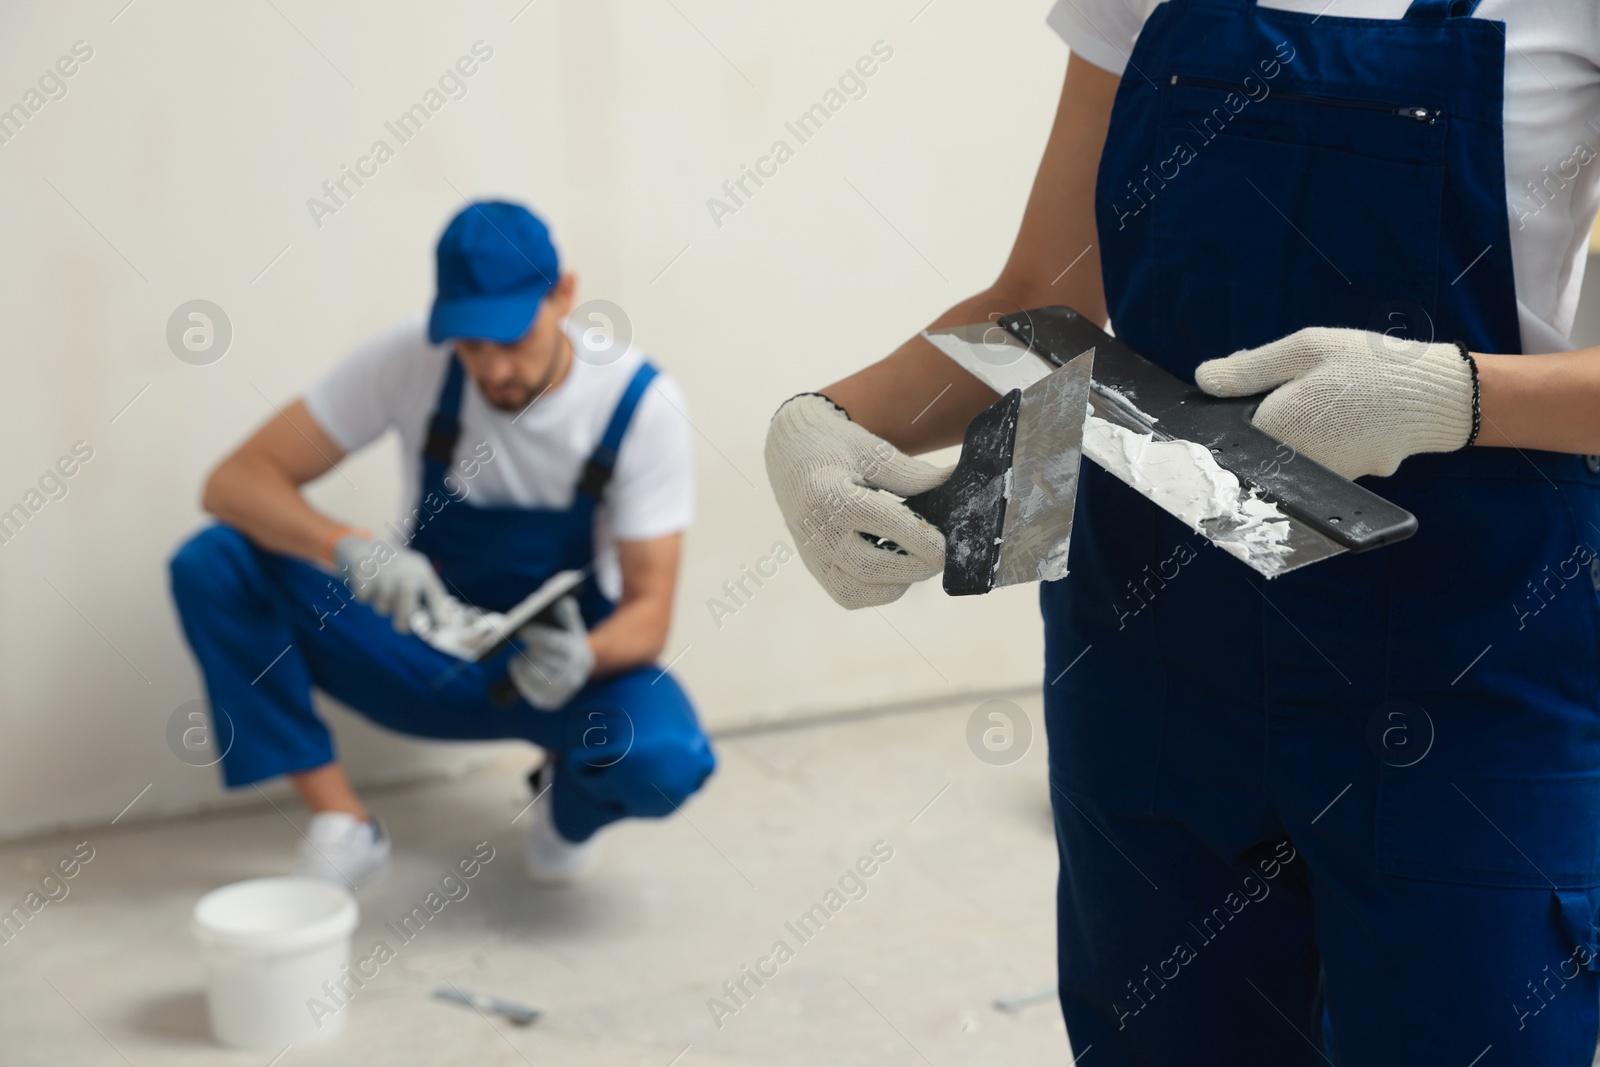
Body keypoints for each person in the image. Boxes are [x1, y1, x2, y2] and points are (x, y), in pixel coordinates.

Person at [764, 2, 1600, 1063]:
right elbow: (1045, 297)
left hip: (1466, 658)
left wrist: (1457, 393)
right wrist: (827, 423)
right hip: (1155, 648)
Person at [169, 200, 715, 889]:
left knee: (665, 761)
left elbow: (651, 610)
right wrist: (343, 544)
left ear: (564, 296)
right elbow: (233, 481)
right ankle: (343, 824)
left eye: (510, 339)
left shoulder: (638, 405)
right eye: (470, 342)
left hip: (559, 678)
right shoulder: (411, 360)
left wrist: (586, 656)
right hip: (423, 657)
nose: (491, 369)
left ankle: (566, 813)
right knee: (214, 561)